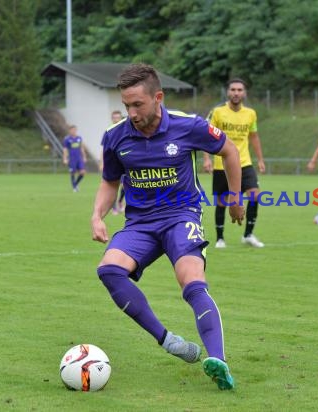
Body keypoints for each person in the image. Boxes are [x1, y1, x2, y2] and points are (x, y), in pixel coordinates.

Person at [92, 63, 244, 390]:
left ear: (157, 97)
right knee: (108, 270)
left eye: (138, 104)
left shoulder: (188, 126)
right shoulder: (115, 137)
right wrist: (97, 215)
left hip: (181, 216)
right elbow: (109, 182)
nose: (131, 112)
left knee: (191, 282)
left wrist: (234, 196)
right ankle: (167, 340)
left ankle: (218, 360)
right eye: (126, 105)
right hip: (140, 224)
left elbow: (229, 151)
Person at [203, 78, 266, 248]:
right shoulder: (217, 112)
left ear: (244, 93)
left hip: (244, 162)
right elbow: (205, 134)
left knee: (255, 195)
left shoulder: (250, 114)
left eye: (239, 90)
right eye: (233, 89)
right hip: (221, 163)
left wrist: (260, 159)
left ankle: (248, 235)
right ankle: (220, 239)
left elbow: (253, 136)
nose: (236, 93)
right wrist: (207, 158)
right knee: (222, 201)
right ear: (228, 92)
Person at [99, 110, 126, 214]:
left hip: (124, 163)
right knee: (113, 185)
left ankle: (119, 202)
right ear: (112, 119)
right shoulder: (108, 132)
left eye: (118, 117)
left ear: (121, 118)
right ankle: (114, 207)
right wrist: (102, 163)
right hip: (112, 164)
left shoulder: (126, 131)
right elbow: (104, 150)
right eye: (114, 118)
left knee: (125, 186)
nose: (116, 119)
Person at [62, 125, 87, 192]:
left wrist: (84, 156)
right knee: (73, 173)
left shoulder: (79, 138)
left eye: (74, 130)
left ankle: (75, 184)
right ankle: (74, 188)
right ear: (69, 131)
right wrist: (65, 158)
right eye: (72, 130)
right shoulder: (67, 139)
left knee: (82, 172)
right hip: (72, 158)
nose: (73, 131)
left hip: (79, 158)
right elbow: (65, 149)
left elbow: (81, 147)